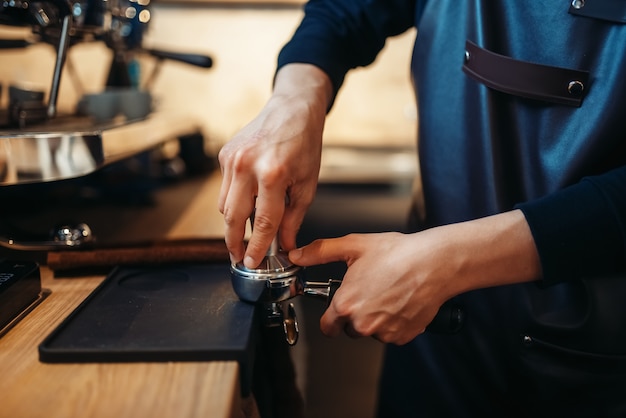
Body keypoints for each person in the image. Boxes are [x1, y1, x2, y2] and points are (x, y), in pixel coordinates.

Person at [218, 1, 626, 416]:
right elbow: (342, 11)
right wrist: (295, 99)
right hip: (435, 342)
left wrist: (451, 261)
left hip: (594, 359)